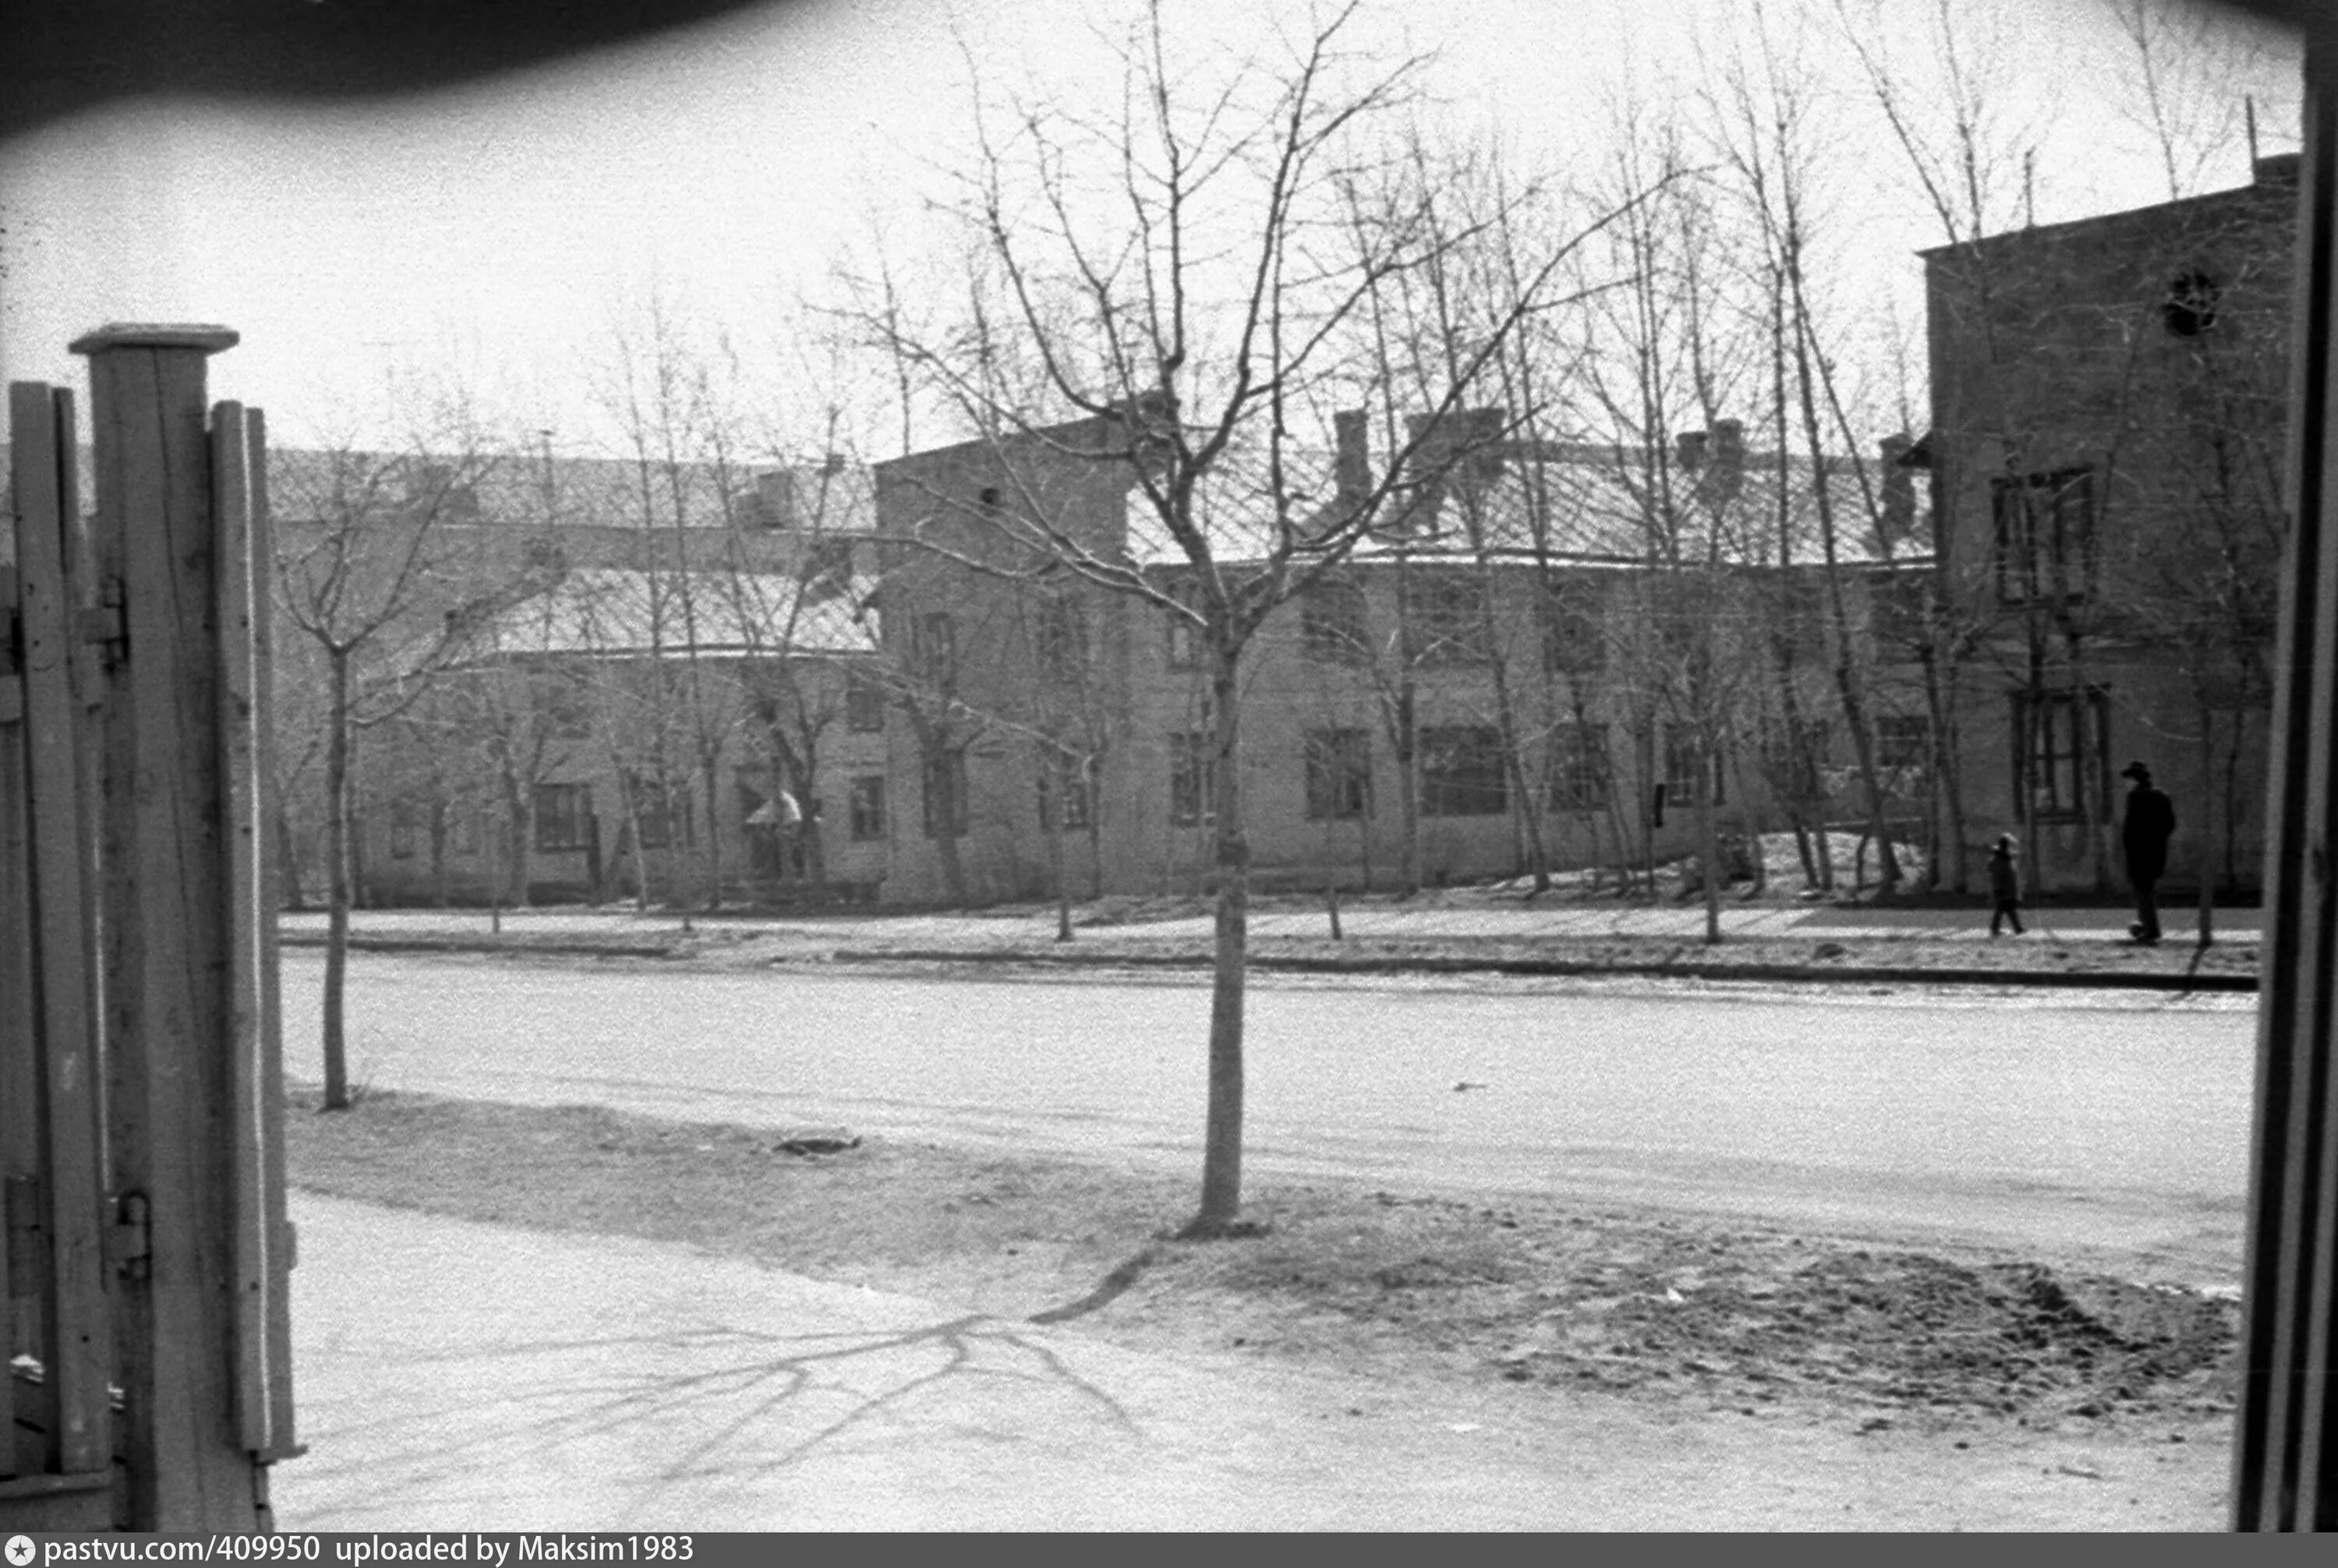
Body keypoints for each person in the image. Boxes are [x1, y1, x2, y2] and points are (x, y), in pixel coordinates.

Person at [2120, 761, 2177, 944]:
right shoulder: (2162, 797)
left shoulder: (2135, 798)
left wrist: (2129, 845)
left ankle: (2150, 930)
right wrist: (2157, 840)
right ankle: (2152, 928)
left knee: (2142, 893)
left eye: (2128, 779)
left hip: (2139, 853)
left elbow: (2130, 829)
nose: (2126, 783)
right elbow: (2170, 825)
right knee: (2148, 891)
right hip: (2157, 852)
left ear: (2135, 780)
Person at [1987, 834, 2025, 936]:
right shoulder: (1999, 860)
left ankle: (2014, 928)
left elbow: (2012, 855)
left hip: (2007, 888)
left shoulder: (2003, 858)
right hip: (2003, 889)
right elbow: (1998, 874)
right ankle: (2014, 929)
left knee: (2007, 909)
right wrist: (1998, 888)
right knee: (2004, 909)